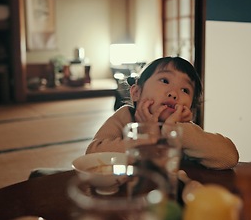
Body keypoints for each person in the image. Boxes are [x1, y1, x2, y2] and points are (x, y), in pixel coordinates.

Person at [86, 56, 239, 169]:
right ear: (136, 92)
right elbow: (92, 155)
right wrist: (148, 138)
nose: (174, 93)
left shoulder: (182, 128)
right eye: (165, 81)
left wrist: (175, 131)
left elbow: (229, 157)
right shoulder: (125, 117)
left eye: (185, 90)